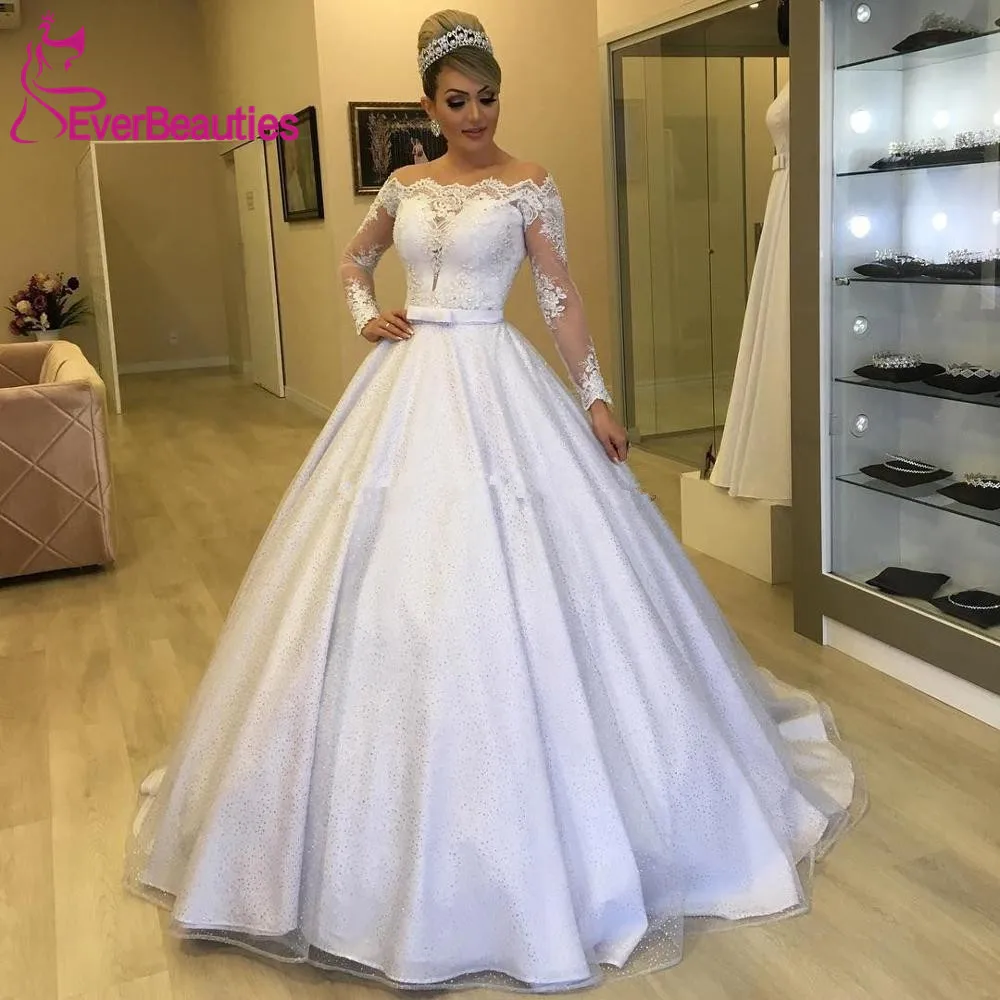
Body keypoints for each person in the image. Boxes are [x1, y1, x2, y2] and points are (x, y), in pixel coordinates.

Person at [125, 9, 864, 993]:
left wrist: (594, 396)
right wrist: (365, 313)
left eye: (487, 98)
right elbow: (353, 259)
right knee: (381, 581)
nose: (476, 115)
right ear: (428, 105)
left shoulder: (527, 184)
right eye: (457, 101)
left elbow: (558, 296)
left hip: (498, 376)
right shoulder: (404, 186)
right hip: (407, 383)